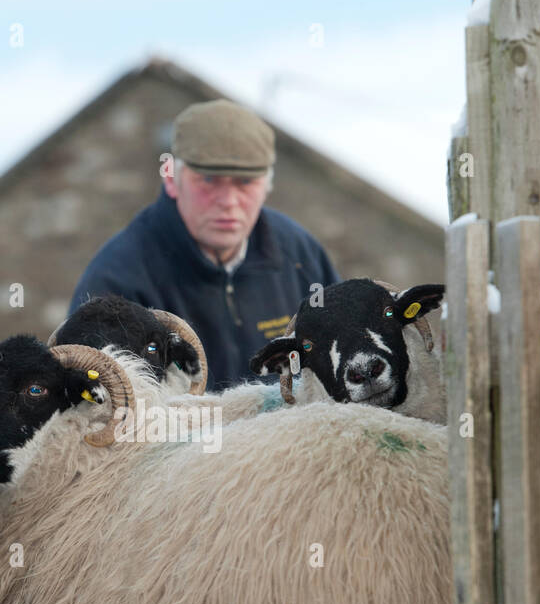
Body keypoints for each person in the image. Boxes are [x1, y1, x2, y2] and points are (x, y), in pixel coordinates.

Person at [68, 99, 339, 389]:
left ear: (267, 185)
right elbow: (95, 411)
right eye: (208, 180)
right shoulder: (116, 279)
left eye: (246, 182)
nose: (229, 201)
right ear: (171, 178)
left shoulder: (301, 255)